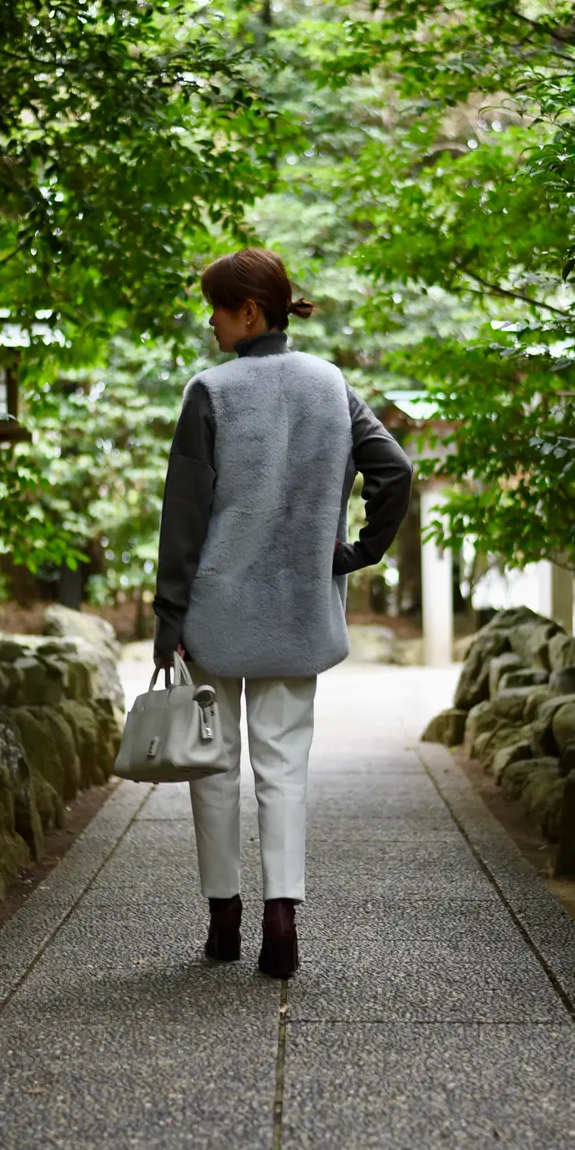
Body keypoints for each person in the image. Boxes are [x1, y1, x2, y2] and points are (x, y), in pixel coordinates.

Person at [153, 246, 413, 977]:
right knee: (283, 767)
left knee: (214, 766)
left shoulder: (210, 391)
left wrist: (168, 616)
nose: (210, 323)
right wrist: (354, 552)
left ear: (248, 311)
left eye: (215, 308)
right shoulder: (330, 386)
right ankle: (282, 923)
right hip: (298, 612)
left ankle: (223, 922)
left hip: (216, 611)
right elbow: (394, 470)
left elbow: (185, 516)